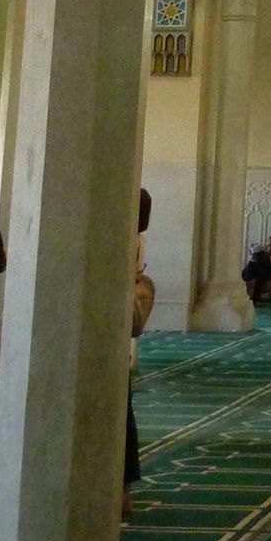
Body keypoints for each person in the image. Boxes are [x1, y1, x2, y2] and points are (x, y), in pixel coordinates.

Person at [123, 187, 154, 520]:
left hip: (109, 333)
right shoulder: (136, 239)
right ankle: (123, 488)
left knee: (120, 411)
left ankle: (121, 487)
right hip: (121, 342)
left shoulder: (125, 238)